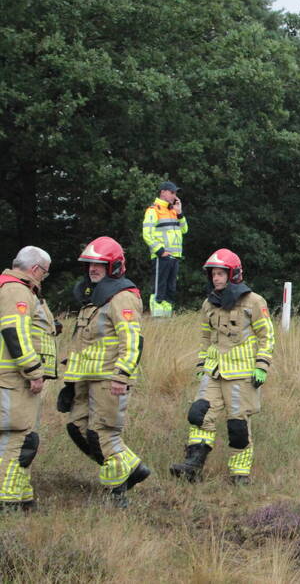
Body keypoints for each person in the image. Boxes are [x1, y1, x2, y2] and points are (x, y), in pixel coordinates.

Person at [170, 249, 274, 485]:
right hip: (213, 370)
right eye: (213, 274)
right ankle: (192, 466)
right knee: (199, 414)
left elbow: (267, 336)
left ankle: (239, 476)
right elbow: (205, 337)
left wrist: (262, 365)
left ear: (233, 274)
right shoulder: (209, 303)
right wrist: (201, 362)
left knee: (237, 425)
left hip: (242, 374)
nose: (216, 278)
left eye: (221, 274)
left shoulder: (254, 302)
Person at [58, 237, 149, 506]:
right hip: (84, 379)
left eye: (99, 264)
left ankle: (116, 492)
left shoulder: (123, 297)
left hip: (109, 379)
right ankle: (133, 468)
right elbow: (84, 343)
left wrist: (122, 376)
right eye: (89, 264)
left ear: (114, 266)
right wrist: (70, 382)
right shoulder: (92, 297)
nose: (92, 269)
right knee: (77, 428)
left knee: (102, 434)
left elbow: (132, 341)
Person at [0, 246, 54, 510]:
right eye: (44, 272)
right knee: (17, 437)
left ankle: (21, 498)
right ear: (35, 269)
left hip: (10, 376)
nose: (43, 277)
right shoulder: (17, 290)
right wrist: (33, 370)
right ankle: (8, 501)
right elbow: (15, 333)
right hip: (12, 378)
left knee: (24, 438)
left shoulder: (10, 287)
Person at [142, 180, 188, 317]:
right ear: (163, 192)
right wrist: (161, 252)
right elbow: (147, 234)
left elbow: (185, 230)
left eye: (175, 193)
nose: (174, 196)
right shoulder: (153, 210)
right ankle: (157, 319)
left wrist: (180, 213)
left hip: (175, 257)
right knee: (159, 291)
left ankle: (166, 320)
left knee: (170, 290)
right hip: (161, 257)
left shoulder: (174, 211)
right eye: (172, 192)